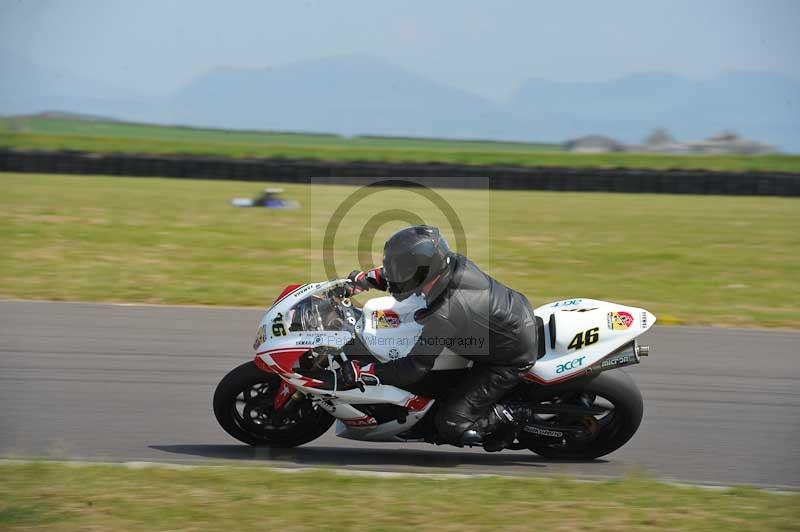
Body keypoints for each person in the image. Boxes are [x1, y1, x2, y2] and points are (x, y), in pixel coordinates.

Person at [325, 225, 538, 451]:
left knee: (451, 424)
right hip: (506, 321)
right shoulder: (448, 266)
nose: (395, 273)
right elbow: (405, 277)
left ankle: (513, 413)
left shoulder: (445, 312)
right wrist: (365, 279)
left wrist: (364, 371)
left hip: (509, 358)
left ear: (422, 271)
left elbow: (413, 368)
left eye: (401, 268)